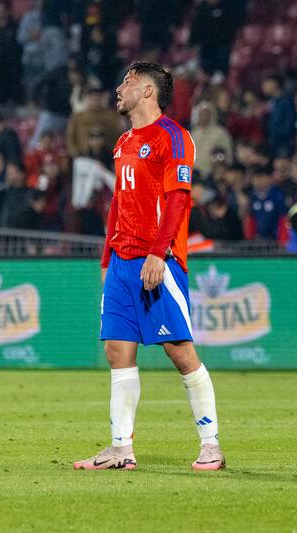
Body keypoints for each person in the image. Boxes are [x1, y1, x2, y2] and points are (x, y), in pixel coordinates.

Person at [74, 62, 225, 472]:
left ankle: (211, 445)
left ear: (147, 91)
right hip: (122, 263)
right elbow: (117, 205)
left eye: (127, 81)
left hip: (158, 260)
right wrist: (106, 258)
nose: (118, 87)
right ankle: (121, 449)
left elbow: (178, 199)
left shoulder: (173, 137)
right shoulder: (123, 142)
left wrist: (159, 253)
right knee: (116, 350)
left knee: (179, 352)